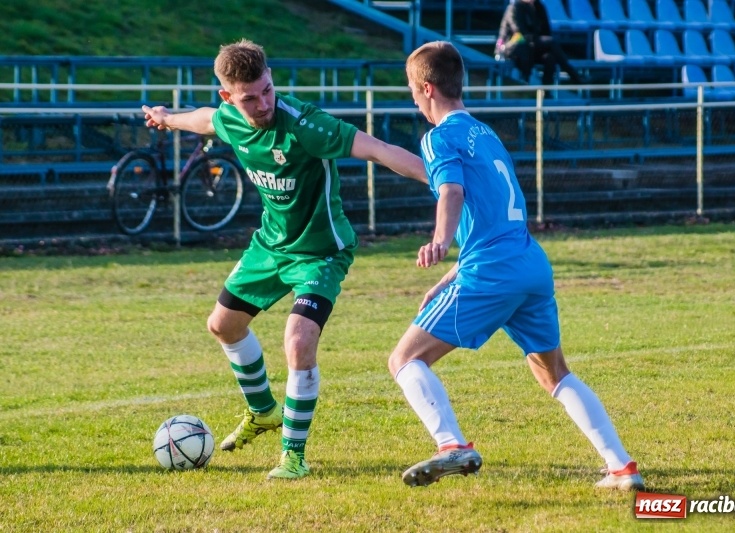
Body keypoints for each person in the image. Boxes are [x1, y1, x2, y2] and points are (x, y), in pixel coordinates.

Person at [142, 39, 427, 480]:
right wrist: (167, 119)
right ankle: (263, 413)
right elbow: (205, 121)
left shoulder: (306, 126)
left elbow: (379, 150)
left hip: (320, 252)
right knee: (223, 325)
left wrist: (444, 181)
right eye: (250, 98)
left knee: (297, 342)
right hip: (271, 246)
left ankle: (294, 456)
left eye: (267, 90)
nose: (262, 104)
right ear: (229, 97)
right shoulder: (232, 118)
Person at [390, 40, 644, 490]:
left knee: (405, 359)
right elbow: (493, 217)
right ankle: (622, 467)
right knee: (553, 373)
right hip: (529, 263)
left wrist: (439, 243)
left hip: (492, 270)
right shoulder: (485, 134)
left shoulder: (438, 137)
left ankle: (452, 445)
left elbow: (452, 194)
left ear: (427, 88)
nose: (414, 101)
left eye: (412, 92)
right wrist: (451, 274)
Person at [496, 0, 586, 87]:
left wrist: (540, 41)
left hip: (533, 46)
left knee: (550, 57)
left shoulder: (539, 7)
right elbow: (520, 32)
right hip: (515, 47)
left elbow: (546, 31)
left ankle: (546, 92)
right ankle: (574, 76)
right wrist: (540, 40)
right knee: (551, 42)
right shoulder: (514, 8)